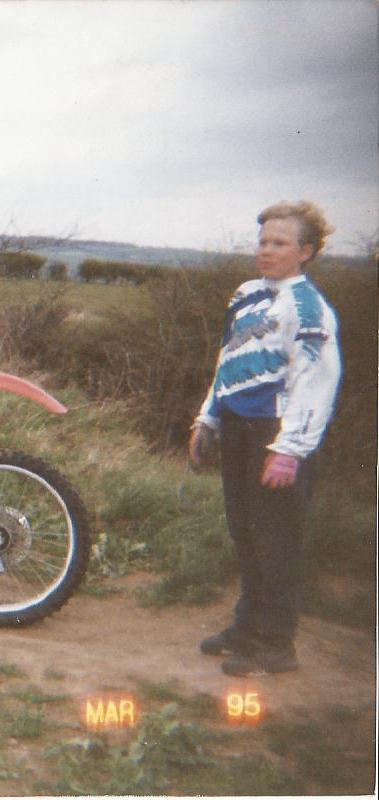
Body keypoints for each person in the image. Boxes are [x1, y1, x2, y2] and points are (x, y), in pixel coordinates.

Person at [189, 201, 341, 677]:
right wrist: (207, 418)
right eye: (263, 241)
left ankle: (276, 644)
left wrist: (289, 451)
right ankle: (247, 627)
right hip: (237, 428)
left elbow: (315, 381)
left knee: (276, 540)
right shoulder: (246, 293)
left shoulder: (309, 308)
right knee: (246, 532)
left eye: (279, 243)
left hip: (275, 438)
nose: (266, 251)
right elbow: (228, 360)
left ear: (306, 252)